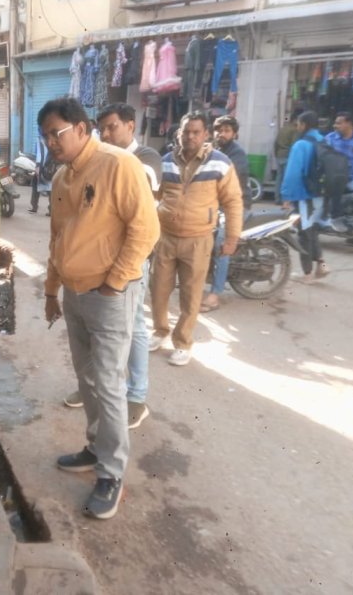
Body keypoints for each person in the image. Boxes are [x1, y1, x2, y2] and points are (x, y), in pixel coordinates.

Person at [41, 97, 159, 520]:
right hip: (74, 292)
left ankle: (111, 473)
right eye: (46, 136)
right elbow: (58, 238)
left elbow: (146, 228)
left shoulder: (118, 165)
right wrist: (50, 289)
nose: (50, 143)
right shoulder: (60, 180)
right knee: (87, 377)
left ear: (81, 128)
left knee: (108, 383)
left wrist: (115, 280)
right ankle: (95, 447)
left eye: (55, 133)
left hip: (110, 293)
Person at [62, 102, 160, 429]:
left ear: (130, 125)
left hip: (128, 267)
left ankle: (136, 396)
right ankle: (96, 393)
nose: (105, 133)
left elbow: (143, 226)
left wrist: (115, 281)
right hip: (94, 275)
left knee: (133, 330)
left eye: (112, 127)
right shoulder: (87, 165)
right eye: (101, 128)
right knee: (98, 364)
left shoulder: (139, 160)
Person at [149, 112, 243, 366]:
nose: (190, 136)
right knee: (157, 289)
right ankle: (159, 331)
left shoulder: (220, 163)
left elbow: (233, 202)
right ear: (179, 134)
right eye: (185, 131)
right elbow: (155, 196)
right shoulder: (166, 161)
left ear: (205, 135)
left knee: (191, 295)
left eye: (195, 132)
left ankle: (183, 342)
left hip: (199, 239)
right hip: (166, 237)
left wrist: (232, 237)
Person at [201, 115, 251, 313]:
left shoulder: (236, 155)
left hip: (236, 205)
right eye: (218, 130)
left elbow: (225, 184)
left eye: (227, 130)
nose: (221, 133)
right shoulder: (215, 149)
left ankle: (215, 294)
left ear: (234, 134)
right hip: (217, 204)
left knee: (222, 240)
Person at [281, 111, 330, 281]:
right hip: (320, 194)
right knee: (312, 230)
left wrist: (286, 196)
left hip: (304, 195)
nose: (297, 126)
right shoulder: (324, 141)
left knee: (304, 233)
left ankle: (307, 273)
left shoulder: (301, 145)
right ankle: (321, 264)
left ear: (304, 125)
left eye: (299, 123)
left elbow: (293, 173)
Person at [274, 108, 304, 202]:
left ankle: (277, 198)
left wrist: (276, 154)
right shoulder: (294, 130)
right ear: (295, 119)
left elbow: (275, 143)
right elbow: (294, 145)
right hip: (288, 156)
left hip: (279, 156)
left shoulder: (283, 128)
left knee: (279, 178)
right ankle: (285, 200)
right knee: (287, 179)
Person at [28, 128, 52, 216]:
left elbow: (40, 154)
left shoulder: (41, 139)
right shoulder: (52, 137)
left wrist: (38, 166)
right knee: (51, 189)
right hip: (51, 166)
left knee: (35, 186)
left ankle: (34, 207)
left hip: (42, 166)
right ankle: (51, 210)